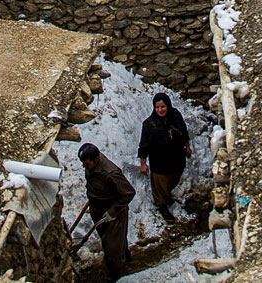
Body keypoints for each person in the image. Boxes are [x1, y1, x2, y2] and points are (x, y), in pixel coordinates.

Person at [79, 143, 136, 282]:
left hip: (112, 212)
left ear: (96, 159)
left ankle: (115, 273)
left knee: (111, 245)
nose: (85, 167)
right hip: (97, 208)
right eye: (84, 164)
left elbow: (128, 193)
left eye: (87, 164)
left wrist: (112, 212)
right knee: (109, 237)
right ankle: (124, 254)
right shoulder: (91, 167)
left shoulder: (111, 173)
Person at [137, 92, 191, 223]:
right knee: (161, 184)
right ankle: (162, 205)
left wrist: (187, 147)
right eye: (157, 107)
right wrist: (143, 163)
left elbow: (183, 132)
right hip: (159, 161)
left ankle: (168, 197)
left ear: (168, 105)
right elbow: (144, 145)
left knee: (173, 178)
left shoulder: (175, 116)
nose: (160, 110)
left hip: (176, 157)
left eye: (163, 107)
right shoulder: (149, 124)